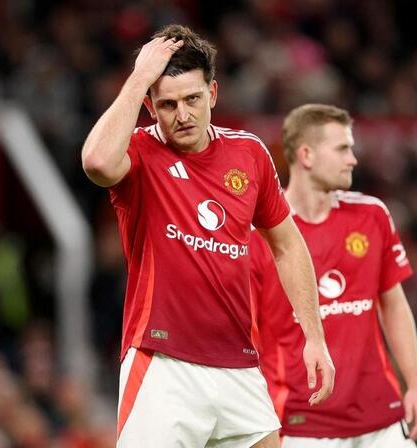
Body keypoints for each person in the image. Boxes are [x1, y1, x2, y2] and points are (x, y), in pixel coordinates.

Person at [81, 25, 334, 447]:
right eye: (167, 104)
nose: (183, 115)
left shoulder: (249, 153)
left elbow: (287, 245)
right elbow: (96, 162)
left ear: (213, 94)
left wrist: (314, 335)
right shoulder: (140, 153)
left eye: (193, 99)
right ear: (150, 107)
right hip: (164, 365)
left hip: (239, 365)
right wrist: (140, 77)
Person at [250, 104, 417, 447]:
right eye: (342, 149)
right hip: (301, 423)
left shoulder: (372, 215)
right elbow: (248, 336)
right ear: (306, 155)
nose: (353, 159)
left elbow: (393, 306)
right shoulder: (260, 237)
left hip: (380, 416)